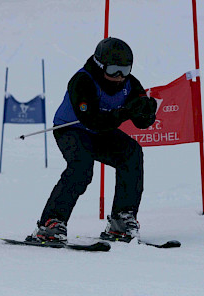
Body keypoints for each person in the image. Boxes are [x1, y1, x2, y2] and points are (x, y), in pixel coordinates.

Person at [27, 37, 157, 243]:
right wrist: (125, 112)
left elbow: (141, 121)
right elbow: (92, 120)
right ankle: (50, 223)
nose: (119, 76)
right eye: (114, 69)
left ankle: (121, 221)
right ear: (99, 65)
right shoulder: (83, 81)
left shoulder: (130, 83)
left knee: (131, 153)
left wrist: (146, 114)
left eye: (125, 70)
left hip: (101, 131)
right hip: (72, 129)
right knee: (81, 167)